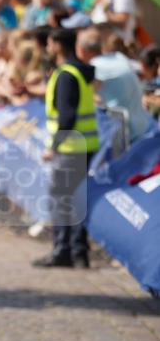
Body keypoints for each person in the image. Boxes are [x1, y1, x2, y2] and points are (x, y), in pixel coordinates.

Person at [32, 28, 99, 269]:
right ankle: (79, 253)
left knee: (60, 200)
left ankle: (62, 251)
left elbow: (67, 115)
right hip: (85, 145)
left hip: (70, 147)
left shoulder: (66, 75)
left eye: (50, 43)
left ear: (58, 45)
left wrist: (54, 146)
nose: (48, 48)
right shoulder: (80, 72)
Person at [78, 29, 152, 144]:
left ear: (81, 50)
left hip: (126, 135)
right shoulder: (119, 57)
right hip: (141, 127)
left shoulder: (95, 67)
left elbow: (82, 96)